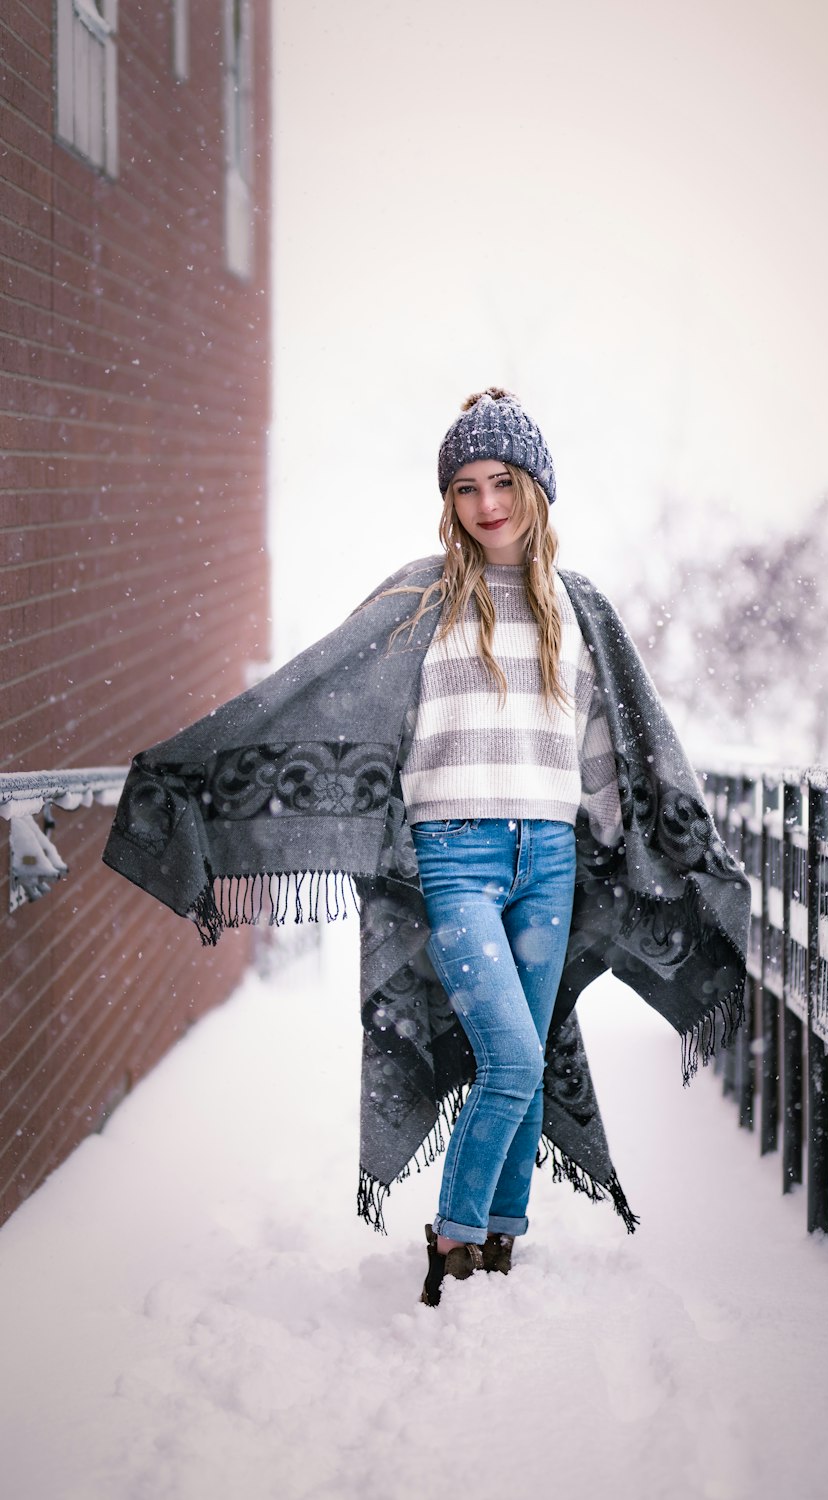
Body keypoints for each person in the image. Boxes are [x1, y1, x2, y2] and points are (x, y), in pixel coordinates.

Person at [103, 389, 751, 1309]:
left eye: (503, 482)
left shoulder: (579, 609)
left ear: (536, 489)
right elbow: (322, 693)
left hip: (552, 862)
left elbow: (604, 749)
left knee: (525, 1056)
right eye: (465, 488)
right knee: (514, 1061)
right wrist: (202, 771)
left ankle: (502, 1245)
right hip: (456, 859)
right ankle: (451, 1245)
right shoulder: (420, 602)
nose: (487, 505)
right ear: (448, 502)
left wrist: (636, 858)